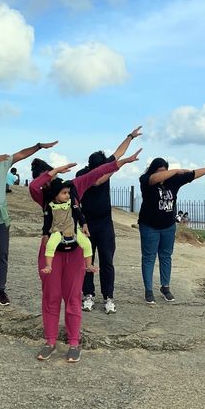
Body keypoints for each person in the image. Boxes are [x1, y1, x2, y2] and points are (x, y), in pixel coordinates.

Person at [30, 149, 141, 363]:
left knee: (72, 298)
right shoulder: (44, 195)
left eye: (50, 179)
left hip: (74, 253)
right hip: (51, 253)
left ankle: (74, 343)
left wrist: (123, 162)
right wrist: (52, 172)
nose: (46, 183)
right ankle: (50, 341)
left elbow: (96, 173)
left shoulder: (73, 187)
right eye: (47, 179)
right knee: (51, 298)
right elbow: (34, 186)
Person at [0, 139, 58, 307]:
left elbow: (22, 154)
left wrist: (38, 146)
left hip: (0, 220)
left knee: (1, 256)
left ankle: (0, 290)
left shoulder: (2, 164)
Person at [76, 126, 142, 314]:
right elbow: (97, 181)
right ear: (91, 167)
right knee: (87, 261)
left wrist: (130, 136)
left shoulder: (106, 167)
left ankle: (108, 296)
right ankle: (88, 294)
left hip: (105, 224)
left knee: (107, 261)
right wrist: (114, 168)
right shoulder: (83, 175)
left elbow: (118, 153)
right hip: (87, 224)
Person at [138, 158, 205, 304]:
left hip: (168, 226)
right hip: (149, 226)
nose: (164, 174)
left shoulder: (173, 180)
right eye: (160, 171)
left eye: (166, 171)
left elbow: (193, 174)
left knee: (166, 256)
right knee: (149, 257)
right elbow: (153, 179)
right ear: (154, 170)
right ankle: (148, 290)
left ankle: (165, 287)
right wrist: (175, 170)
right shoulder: (146, 180)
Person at [41, 178, 97, 275]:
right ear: (55, 194)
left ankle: (89, 265)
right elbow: (47, 222)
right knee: (50, 245)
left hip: (73, 230)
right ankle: (48, 265)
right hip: (58, 231)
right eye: (64, 193)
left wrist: (84, 224)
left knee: (87, 244)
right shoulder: (50, 207)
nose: (67, 195)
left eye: (68, 193)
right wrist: (45, 234)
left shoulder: (71, 203)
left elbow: (79, 214)